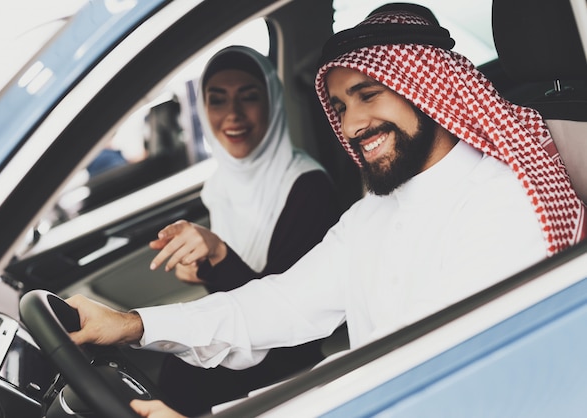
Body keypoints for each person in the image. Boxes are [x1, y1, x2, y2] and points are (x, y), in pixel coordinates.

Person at [67, 3, 587, 417]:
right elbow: (282, 304)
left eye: (369, 95)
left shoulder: (504, 207)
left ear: (426, 92)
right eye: (340, 107)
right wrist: (133, 325)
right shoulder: (374, 213)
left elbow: (430, 388)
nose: (354, 124)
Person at [144, 45, 343, 416]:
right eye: (217, 101)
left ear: (273, 103)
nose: (232, 115)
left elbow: (288, 324)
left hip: (285, 362)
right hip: (243, 342)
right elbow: (238, 282)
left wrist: (218, 255)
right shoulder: (221, 184)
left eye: (249, 98)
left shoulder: (308, 188)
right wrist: (205, 267)